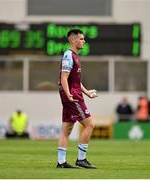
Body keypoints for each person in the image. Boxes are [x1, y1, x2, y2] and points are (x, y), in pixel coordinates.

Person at [57, 29, 98, 169]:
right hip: (72, 95)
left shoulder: (74, 56)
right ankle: (81, 159)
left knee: (67, 128)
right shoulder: (69, 55)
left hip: (72, 92)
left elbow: (75, 81)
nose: (84, 41)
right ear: (73, 40)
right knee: (90, 124)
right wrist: (69, 94)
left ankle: (61, 162)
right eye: (81, 38)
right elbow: (64, 77)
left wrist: (87, 93)